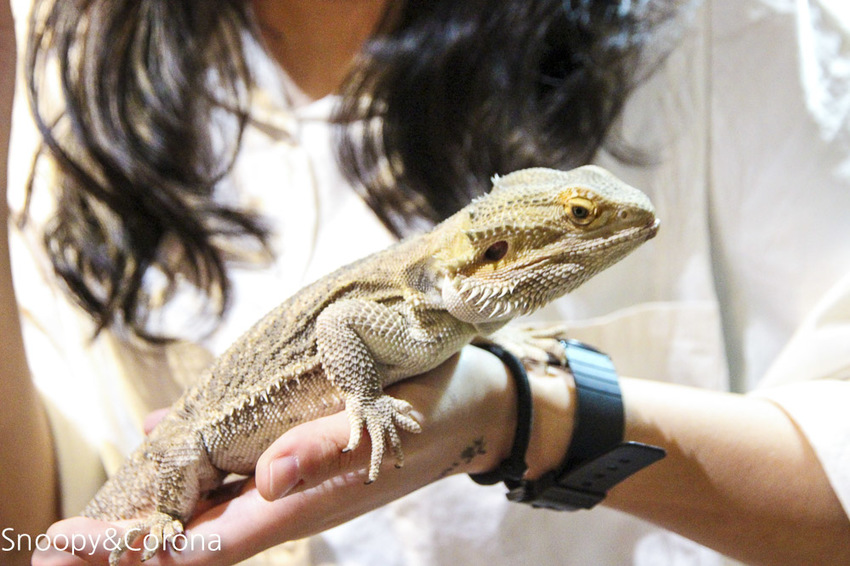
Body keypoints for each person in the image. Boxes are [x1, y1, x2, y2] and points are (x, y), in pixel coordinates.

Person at [1, 1, 848, 566]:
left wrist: (527, 414)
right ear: (497, 250)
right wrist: (371, 400)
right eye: (583, 216)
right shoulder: (65, 46)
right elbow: (38, 522)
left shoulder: (732, 27)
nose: (614, 223)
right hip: (189, 455)